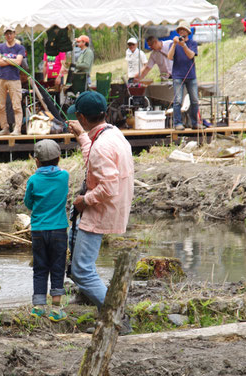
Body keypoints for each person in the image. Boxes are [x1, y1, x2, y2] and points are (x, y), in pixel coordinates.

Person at [67, 91, 134, 323]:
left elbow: (108, 187)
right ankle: (89, 298)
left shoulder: (101, 147)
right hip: (109, 207)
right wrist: (81, 137)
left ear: (82, 117)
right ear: (104, 113)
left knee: (81, 270)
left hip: (101, 210)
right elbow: (95, 162)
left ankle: (118, 318)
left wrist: (84, 200)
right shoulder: (112, 133)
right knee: (74, 245)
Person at [24, 139, 69, 322]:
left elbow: (28, 202)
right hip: (59, 229)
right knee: (58, 267)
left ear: (36, 161)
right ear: (59, 158)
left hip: (38, 230)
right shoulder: (64, 176)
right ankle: (56, 309)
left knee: (40, 267)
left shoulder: (33, 179)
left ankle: (38, 306)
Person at [168, 21, 199, 130]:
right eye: (180, 30)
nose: (181, 32)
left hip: (191, 76)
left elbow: (191, 55)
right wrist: (175, 44)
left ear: (187, 32)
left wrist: (184, 45)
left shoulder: (192, 43)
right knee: (178, 100)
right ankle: (177, 123)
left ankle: (194, 123)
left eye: (183, 30)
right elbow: (169, 57)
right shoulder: (173, 44)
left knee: (194, 100)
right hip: (178, 76)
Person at [0, 26, 25, 136]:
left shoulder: (20, 48)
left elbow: (19, 62)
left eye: (11, 33)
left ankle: (17, 128)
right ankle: (5, 127)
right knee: (0, 106)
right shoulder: (0, 47)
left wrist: (6, 59)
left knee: (16, 105)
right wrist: (12, 61)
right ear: (4, 35)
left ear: (14, 34)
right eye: (6, 34)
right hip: (1, 78)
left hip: (14, 79)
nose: (9, 35)